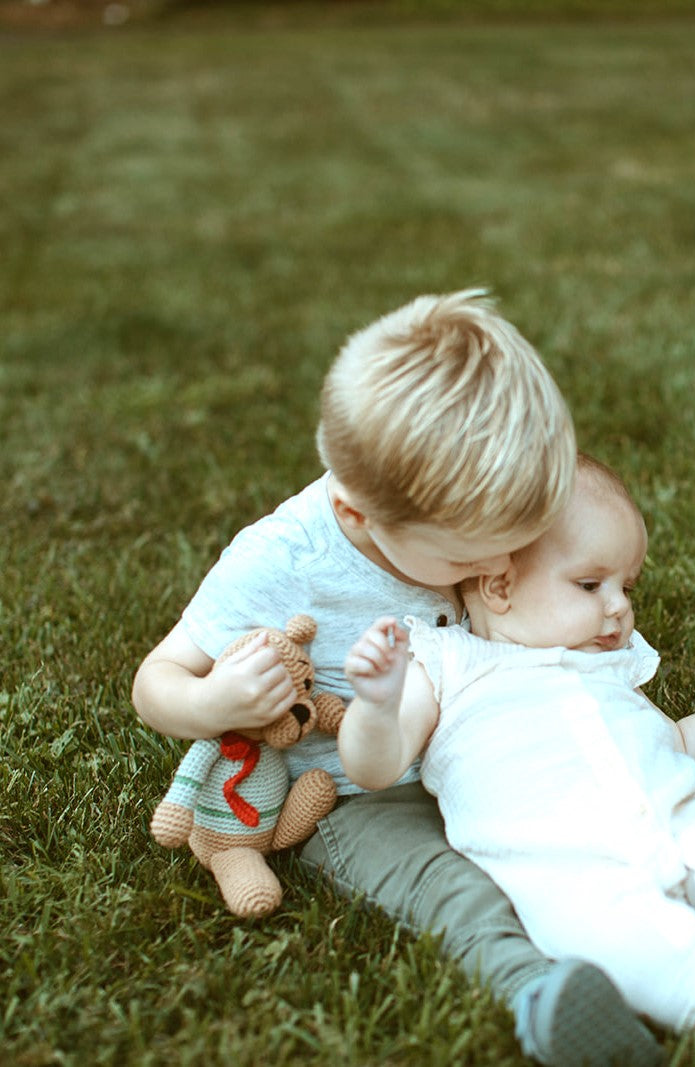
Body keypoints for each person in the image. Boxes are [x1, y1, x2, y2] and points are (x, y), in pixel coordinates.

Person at [132, 291, 666, 1067]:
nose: (495, 569)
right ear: (357, 516)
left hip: (485, 741)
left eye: (515, 542)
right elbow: (156, 680)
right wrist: (212, 700)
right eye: (469, 559)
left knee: (604, 825)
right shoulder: (283, 559)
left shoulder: (478, 514)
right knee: (450, 885)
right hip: (358, 796)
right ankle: (537, 991)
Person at [340, 455, 695, 1050]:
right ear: (498, 585)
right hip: (567, 872)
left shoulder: (611, 666)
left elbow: (677, 746)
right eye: (590, 585)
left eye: (626, 586)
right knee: (644, 951)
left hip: (679, 822)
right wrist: (375, 704)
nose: (619, 606)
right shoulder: (447, 664)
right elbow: (375, 767)